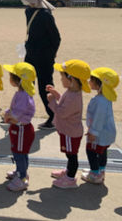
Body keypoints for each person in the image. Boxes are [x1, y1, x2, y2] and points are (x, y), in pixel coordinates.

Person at [13, 0, 61, 130]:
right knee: (25, 83)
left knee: (44, 87)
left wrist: (49, 56)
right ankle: (19, 112)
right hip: (31, 54)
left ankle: (54, 116)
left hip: (44, 58)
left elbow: (56, 38)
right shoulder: (28, 11)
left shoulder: (46, 15)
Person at [46, 59, 91, 189]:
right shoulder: (72, 92)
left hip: (70, 133)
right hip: (68, 131)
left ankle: (70, 179)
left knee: (72, 156)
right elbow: (64, 103)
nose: (61, 79)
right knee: (69, 154)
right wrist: (56, 94)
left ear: (71, 79)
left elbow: (62, 112)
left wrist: (52, 101)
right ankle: (68, 172)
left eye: (63, 76)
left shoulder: (73, 96)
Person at [2, 62, 36, 191]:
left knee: (19, 154)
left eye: (11, 76)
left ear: (18, 80)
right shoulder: (22, 93)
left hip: (21, 129)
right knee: (20, 153)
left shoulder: (23, 95)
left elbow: (16, 114)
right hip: (19, 129)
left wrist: (7, 117)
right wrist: (7, 113)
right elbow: (15, 109)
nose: (9, 78)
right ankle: (20, 172)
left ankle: (22, 178)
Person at [82, 67, 118, 184]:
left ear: (99, 84)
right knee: (102, 152)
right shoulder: (106, 98)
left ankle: (94, 173)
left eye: (91, 80)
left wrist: (93, 132)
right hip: (106, 133)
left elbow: (99, 118)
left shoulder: (100, 101)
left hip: (99, 134)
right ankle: (100, 171)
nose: (89, 82)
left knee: (91, 151)